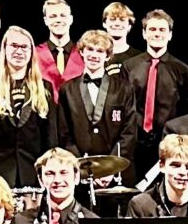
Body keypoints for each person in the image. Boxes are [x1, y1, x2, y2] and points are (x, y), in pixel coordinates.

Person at [0, 26, 54, 186]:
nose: (19, 51)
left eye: (24, 47)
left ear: (31, 52)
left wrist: (47, 173)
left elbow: (50, 136)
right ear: (4, 49)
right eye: (14, 46)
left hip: (34, 176)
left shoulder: (45, 87)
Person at [123, 9, 188, 177]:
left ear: (170, 35)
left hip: (168, 141)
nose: (157, 34)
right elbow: (123, 105)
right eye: (152, 29)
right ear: (144, 33)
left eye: (162, 30)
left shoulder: (182, 70)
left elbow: (187, 110)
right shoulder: (129, 67)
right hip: (134, 142)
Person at [52, 30, 139, 168]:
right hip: (79, 168)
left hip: (116, 170)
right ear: (82, 52)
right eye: (90, 49)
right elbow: (64, 133)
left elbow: (129, 132)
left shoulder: (124, 89)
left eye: (99, 51)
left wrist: (110, 166)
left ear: (107, 56)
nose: (94, 55)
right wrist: (80, 164)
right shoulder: (67, 89)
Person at [36, 0, 81, 90]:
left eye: (63, 15)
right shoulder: (35, 54)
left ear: (71, 19)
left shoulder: (83, 53)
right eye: (53, 16)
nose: (58, 20)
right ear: (45, 20)